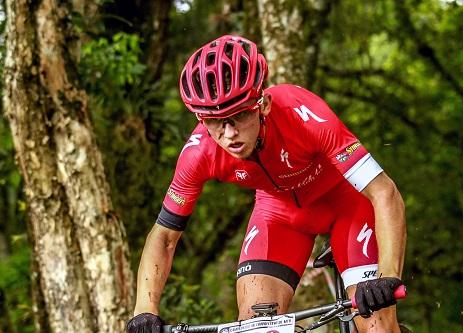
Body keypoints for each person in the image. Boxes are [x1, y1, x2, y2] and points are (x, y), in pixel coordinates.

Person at [127, 35, 406, 333]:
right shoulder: (198, 154)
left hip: (347, 205)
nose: (229, 133)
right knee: (256, 326)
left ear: (264, 105)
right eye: (214, 120)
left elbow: (384, 191)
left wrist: (387, 275)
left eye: (240, 114)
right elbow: (165, 236)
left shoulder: (303, 114)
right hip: (279, 215)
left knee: (376, 324)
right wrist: (145, 307)